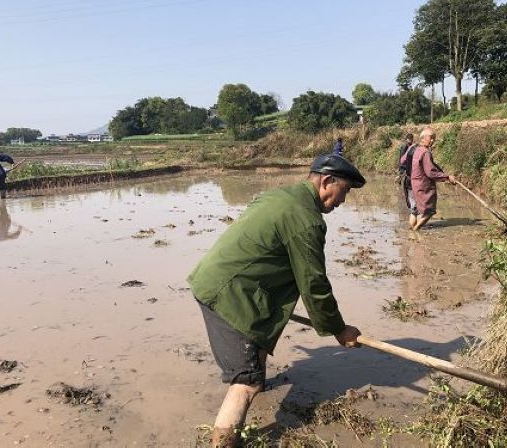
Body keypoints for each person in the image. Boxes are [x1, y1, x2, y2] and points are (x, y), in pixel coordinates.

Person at [188, 154, 365, 447]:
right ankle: (224, 443)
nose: (343, 200)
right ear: (327, 181)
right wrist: (339, 329)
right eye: (344, 191)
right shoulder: (307, 220)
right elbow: (313, 284)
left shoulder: (281, 195)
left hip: (217, 280)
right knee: (246, 383)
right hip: (232, 296)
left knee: (253, 353)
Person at [400, 128, 456, 230]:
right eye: (430, 138)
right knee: (429, 210)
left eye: (434, 138)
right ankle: (416, 229)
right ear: (423, 138)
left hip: (408, 182)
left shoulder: (412, 147)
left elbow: (402, 160)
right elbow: (430, 172)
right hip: (420, 185)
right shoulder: (425, 152)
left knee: (414, 210)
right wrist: (447, 177)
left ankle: (411, 232)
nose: (432, 141)